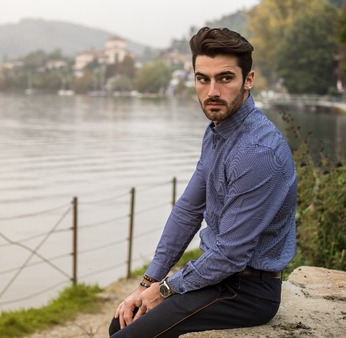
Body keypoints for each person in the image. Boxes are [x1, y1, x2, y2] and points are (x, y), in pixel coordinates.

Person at [108, 27, 297, 338]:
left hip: (247, 291)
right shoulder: (217, 132)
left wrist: (164, 290)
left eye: (225, 78)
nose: (212, 91)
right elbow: (187, 211)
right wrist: (148, 281)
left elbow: (230, 254)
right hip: (218, 278)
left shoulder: (258, 151)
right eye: (202, 79)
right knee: (122, 320)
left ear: (248, 80)